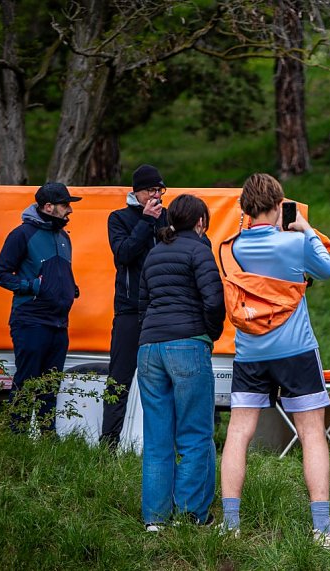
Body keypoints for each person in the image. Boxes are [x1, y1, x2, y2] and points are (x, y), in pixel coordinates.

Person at [219, 173, 330, 548]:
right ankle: (322, 526)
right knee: (311, 433)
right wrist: (304, 227)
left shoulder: (231, 247)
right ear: (279, 206)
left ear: (244, 209)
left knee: (238, 433)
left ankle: (230, 523)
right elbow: (326, 269)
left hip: (249, 352)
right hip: (295, 350)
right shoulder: (294, 243)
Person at [137, 194, 225, 531]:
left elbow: (142, 303)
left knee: (158, 438)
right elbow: (214, 299)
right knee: (194, 434)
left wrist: (152, 331)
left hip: (149, 349)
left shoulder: (155, 252)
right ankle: (191, 516)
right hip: (187, 345)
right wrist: (209, 332)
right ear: (201, 221)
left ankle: (155, 520)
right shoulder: (199, 250)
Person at [0, 182, 81, 433]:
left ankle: (47, 442)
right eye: (65, 205)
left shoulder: (64, 237)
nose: (69, 210)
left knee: (50, 386)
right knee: (27, 382)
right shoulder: (21, 234)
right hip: (30, 320)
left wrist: (69, 287)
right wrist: (33, 286)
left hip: (59, 323)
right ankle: (16, 439)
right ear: (48, 206)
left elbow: (56, 273)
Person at [102, 164, 169, 448]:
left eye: (159, 190)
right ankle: (108, 445)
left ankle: (162, 446)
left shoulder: (168, 217)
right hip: (130, 309)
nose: (156, 196)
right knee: (119, 379)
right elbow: (124, 254)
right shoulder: (118, 218)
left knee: (165, 379)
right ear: (136, 192)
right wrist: (144, 222)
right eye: (150, 190)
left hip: (163, 309)